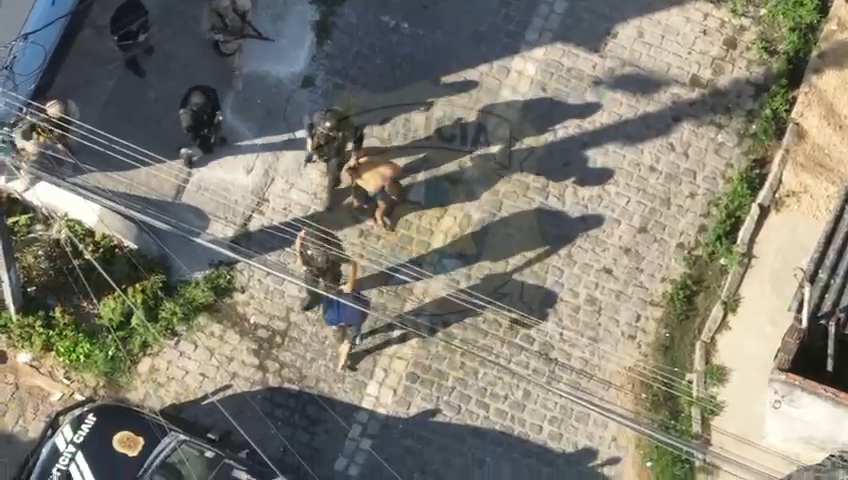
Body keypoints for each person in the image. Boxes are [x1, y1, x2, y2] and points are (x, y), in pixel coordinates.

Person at [318, 258, 369, 372]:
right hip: (356, 313)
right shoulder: (346, 289)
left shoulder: (328, 295)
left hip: (335, 318)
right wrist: (354, 262)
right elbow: (351, 279)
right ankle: (349, 342)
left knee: (338, 329)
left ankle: (343, 344)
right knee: (354, 328)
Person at [305, 108, 365, 195]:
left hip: (336, 152)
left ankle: (333, 190)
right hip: (318, 143)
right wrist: (309, 136)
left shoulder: (347, 129)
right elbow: (307, 119)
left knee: (333, 175)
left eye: (329, 133)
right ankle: (310, 156)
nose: (325, 134)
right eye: (323, 131)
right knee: (312, 149)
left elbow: (358, 134)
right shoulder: (317, 117)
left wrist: (355, 154)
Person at [343, 155, 403, 231]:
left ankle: (378, 215)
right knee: (381, 202)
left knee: (380, 202)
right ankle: (379, 215)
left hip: (377, 185)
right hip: (380, 183)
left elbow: (370, 188)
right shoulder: (366, 165)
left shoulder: (362, 171)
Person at [295, 229, 347, 312]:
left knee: (332, 284)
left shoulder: (328, 242)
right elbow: (300, 254)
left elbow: (341, 256)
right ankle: (314, 298)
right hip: (313, 266)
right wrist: (301, 259)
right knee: (310, 281)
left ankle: (331, 299)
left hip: (329, 266)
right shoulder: (304, 240)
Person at [206, 0, 254, 90]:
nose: (226, 11)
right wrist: (223, 37)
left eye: (227, 8)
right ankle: (235, 73)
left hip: (239, 29)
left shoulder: (244, 4)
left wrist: (246, 31)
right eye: (223, 9)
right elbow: (207, 32)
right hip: (225, 40)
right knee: (229, 50)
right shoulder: (212, 10)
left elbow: (249, 19)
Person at [178, 86, 226, 168]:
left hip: (206, 118)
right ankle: (189, 152)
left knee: (215, 123)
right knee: (207, 148)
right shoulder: (187, 109)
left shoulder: (211, 97)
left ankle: (215, 140)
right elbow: (183, 112)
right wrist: (189, 127)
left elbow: (217, 113)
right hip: (195, 121)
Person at [109, 0, 154, 79]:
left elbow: (144, 23)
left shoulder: (139, 13)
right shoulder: (122, 32)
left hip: (133, 18)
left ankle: (144, 46)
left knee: (142, 37)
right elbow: (122, 42)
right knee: (128, 52)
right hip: (123, 32)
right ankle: (134, 66)